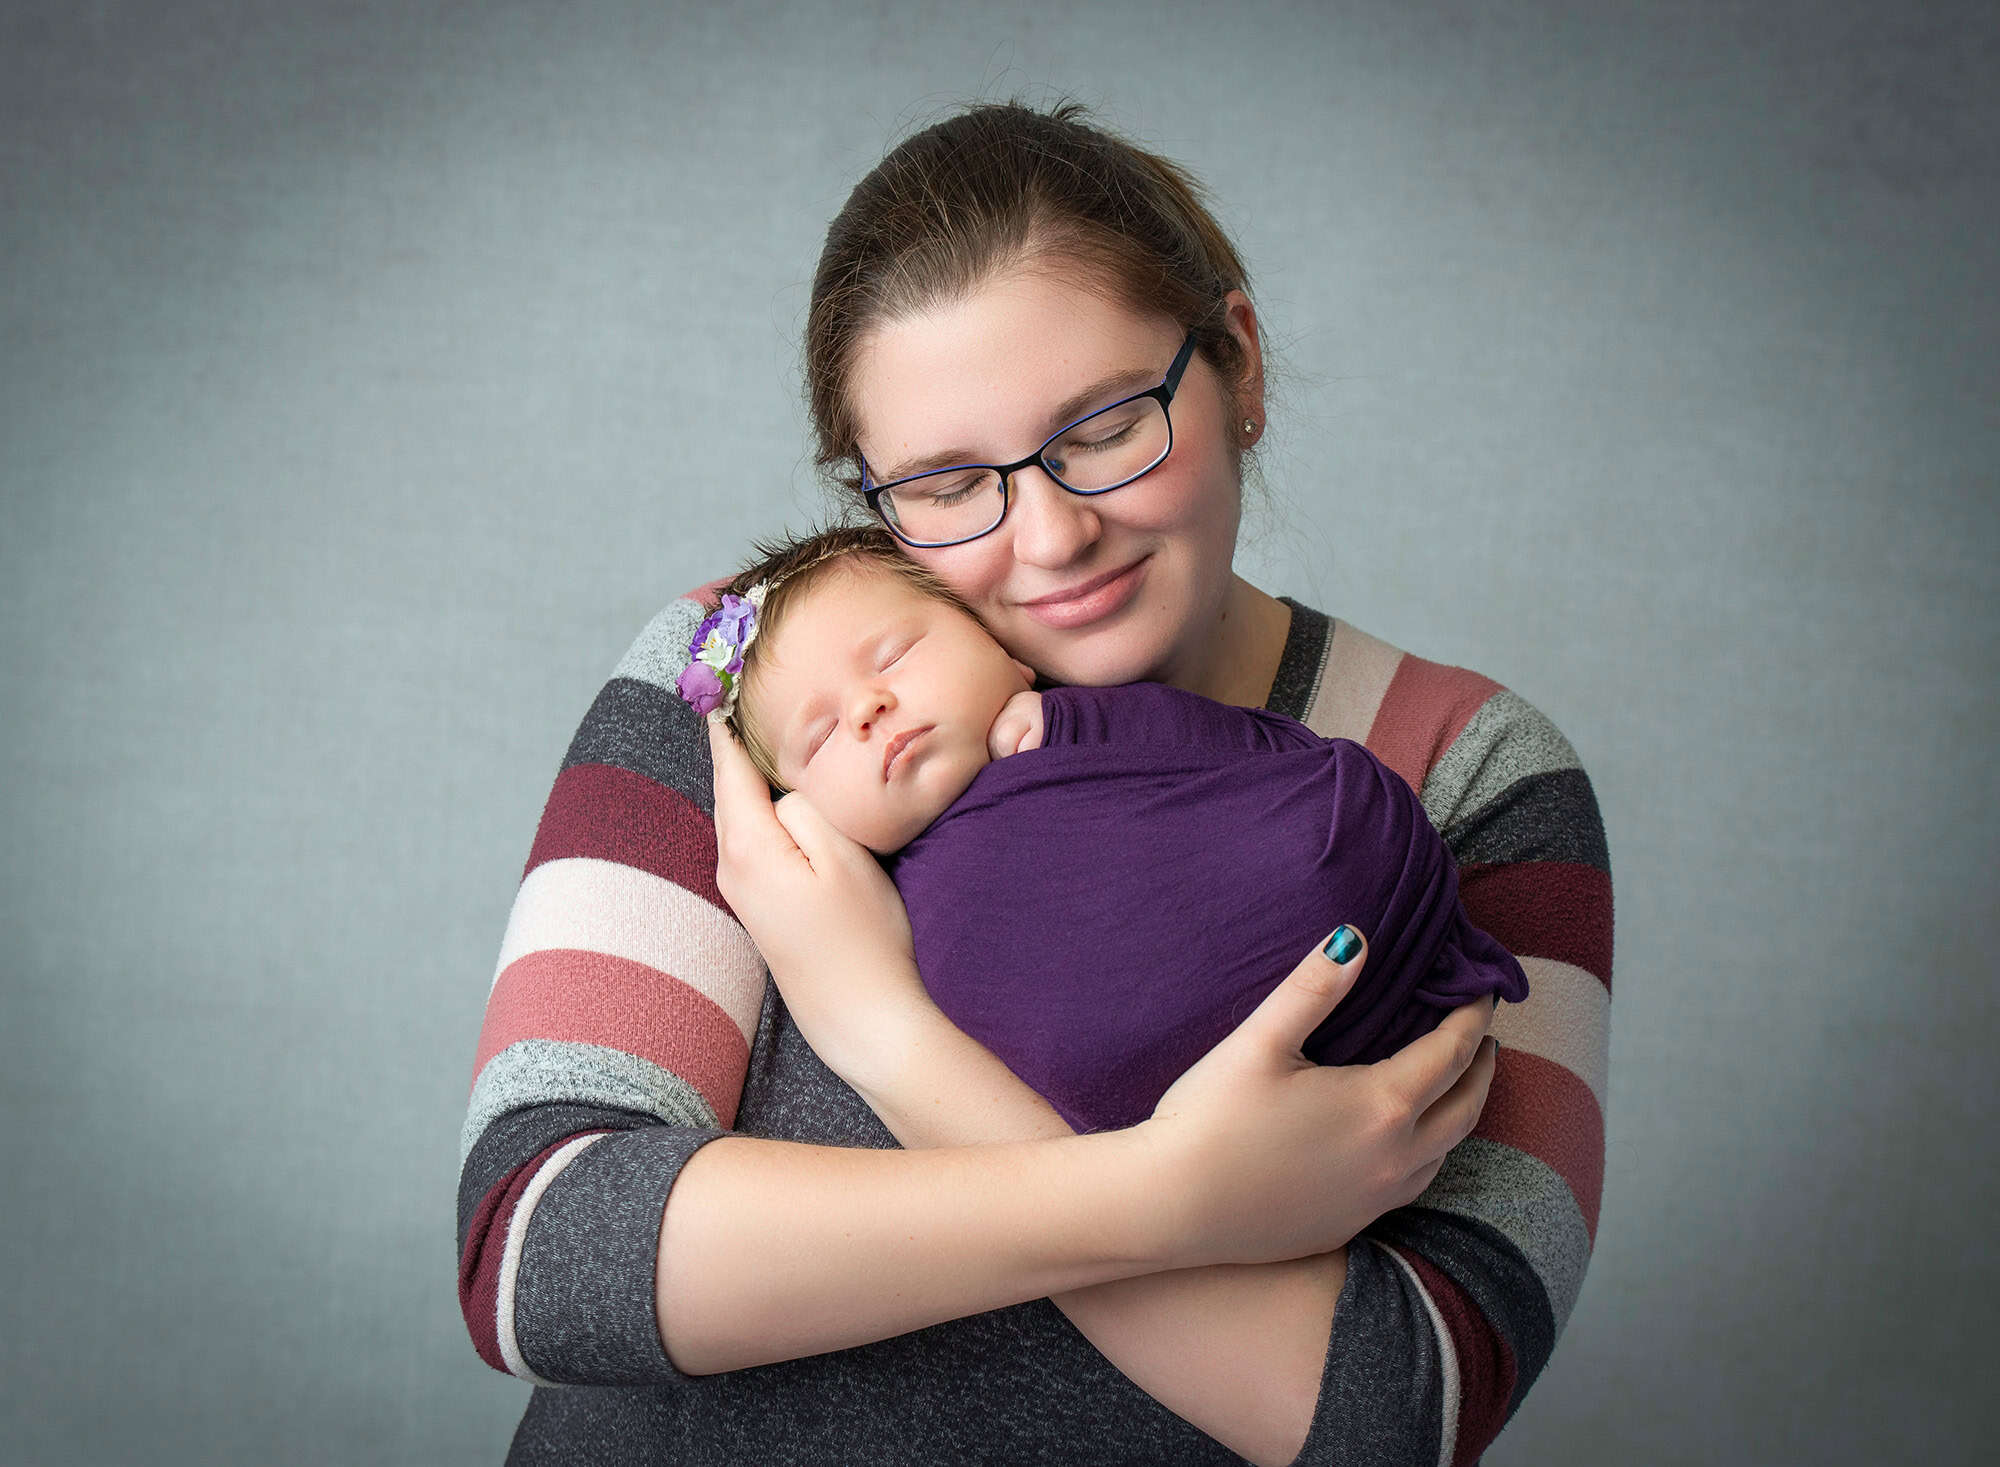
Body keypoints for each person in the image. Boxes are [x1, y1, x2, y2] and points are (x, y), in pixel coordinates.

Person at [458, 100, 1612, 1467]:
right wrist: (1169, 1194)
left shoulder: (1468, 769)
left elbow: (1396, 1406)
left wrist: (886, 1028)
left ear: (1236, 362)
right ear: (869, 495)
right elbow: (538, 1251)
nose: (1054, 533)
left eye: (1109, 423)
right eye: (946, 481)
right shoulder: (763, 683)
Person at [695, 522, 1530, 1136]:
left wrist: (1070, 731)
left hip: (1338, 926)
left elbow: (1265, 756)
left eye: (894, 655)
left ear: (1007, 650)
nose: (870, 707)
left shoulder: (1085, 724)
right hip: (1148, 1149)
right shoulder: (860, 914)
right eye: (823, 735)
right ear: (796, 809)